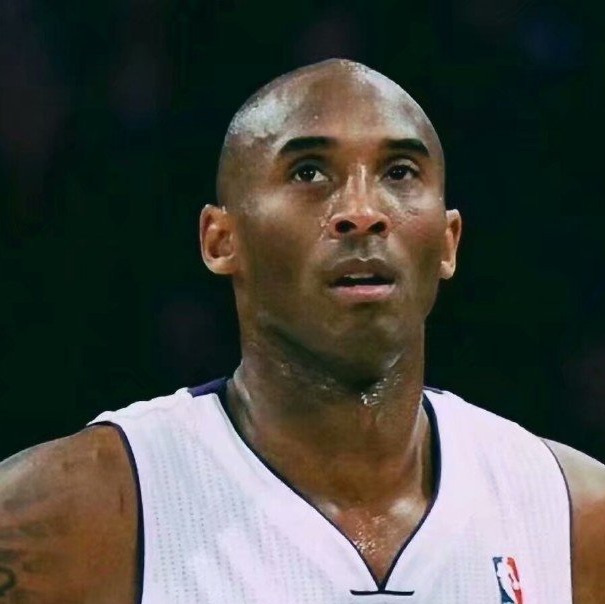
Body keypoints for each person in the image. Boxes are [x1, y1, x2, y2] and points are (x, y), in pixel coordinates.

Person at [0, 59, 603, 604]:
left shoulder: (572, 514)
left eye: (398, 172)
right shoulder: (73, 514)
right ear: (220, 240)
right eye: (309, 172)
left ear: (448, 243)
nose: (362, 212)